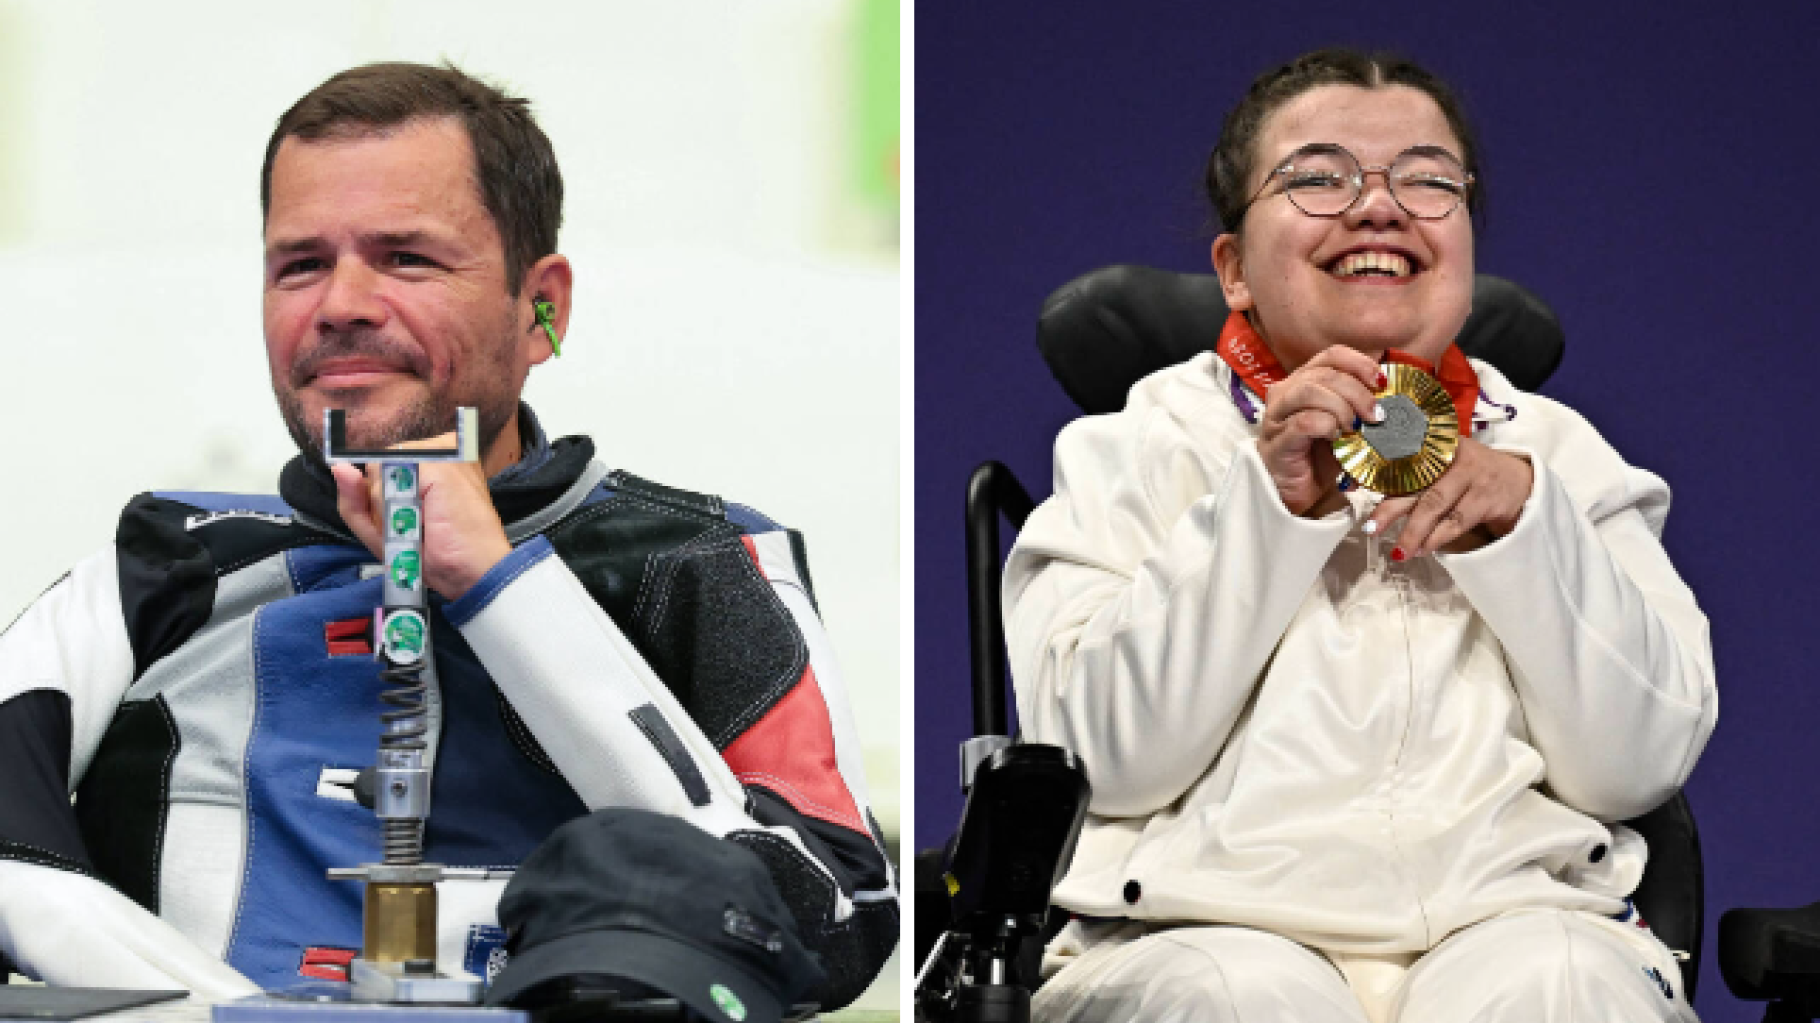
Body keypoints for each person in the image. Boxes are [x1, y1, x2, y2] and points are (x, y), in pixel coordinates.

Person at [0, 62, 896, 1009]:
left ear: (541, 309)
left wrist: (505, 588)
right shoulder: (160, 567)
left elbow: (829, 923)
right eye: (301, 264)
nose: (341, 302)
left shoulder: (698, 559)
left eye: (406, 258)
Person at [1004, 48, 1713, 1023]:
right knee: (1243, 1001)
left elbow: (1636, 764)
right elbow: (1099, 762)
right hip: (1198, 931)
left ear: (1462, 249)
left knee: (1566, 990)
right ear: (1232, 269)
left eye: (1428, 181)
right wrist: (1266, 510)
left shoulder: (1554, 460)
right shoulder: (1133, 449)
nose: (1378, 206)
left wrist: (1521, 536)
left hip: (1511, 921)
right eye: (1316, 177)